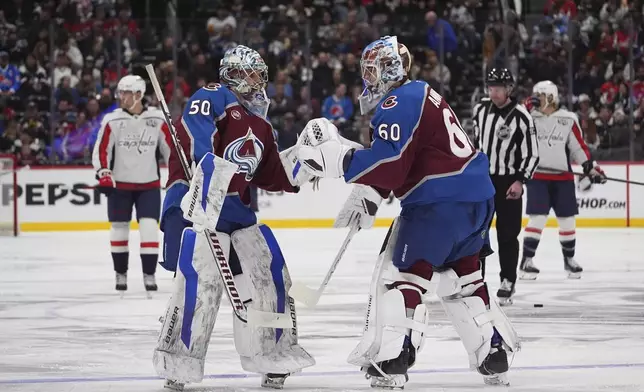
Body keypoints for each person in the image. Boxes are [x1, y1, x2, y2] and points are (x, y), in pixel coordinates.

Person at [295, 36, 519, 389]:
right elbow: (410, 157)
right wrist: (371, 193)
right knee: (466, 279)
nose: (367, 78)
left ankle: (392, 358)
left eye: (372, 69)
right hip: (475, 200)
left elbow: (391, 162)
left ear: (390, 68)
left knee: (400, 277)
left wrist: (339, 160)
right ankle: (493, 352)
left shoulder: (399, 100)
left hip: (437, 205)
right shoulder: (423, 94)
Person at [154, 45, 315, 391]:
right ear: (234, 74)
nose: (260, 80)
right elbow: (197, 137)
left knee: (268, 273)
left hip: (235, 210)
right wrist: (206, 178)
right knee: (201, 283)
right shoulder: (214, 96)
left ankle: (272, 353)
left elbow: (272, 174)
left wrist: (307, 162)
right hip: (194, 201)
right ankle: (179, 361)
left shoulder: (260, 122)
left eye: (261, 73)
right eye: (253, 72)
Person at [92, 75, 172, 294]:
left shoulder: (157, 119)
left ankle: (149, 275)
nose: (121, 96)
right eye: (121, 92)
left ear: (138, 95)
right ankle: (121, 274)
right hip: (120, 185)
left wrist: (179, 173)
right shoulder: (112, 120)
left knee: (149, 229)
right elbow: (101, 150)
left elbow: (171, 151)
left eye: (126, 92)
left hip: (149, 185)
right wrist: (103, 172)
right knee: (119, 230)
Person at [520, 81, 606, 279]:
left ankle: (569, 260)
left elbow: (578, 147)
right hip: (537, 175)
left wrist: (590, 167)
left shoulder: (568, 118)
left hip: (563, 177)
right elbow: (512, 127)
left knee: (567, 221)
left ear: (550, 96)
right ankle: (526, 261)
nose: (536, 98)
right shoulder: (528, 117)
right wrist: (525, 108)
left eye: (539, 95)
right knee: (538, 218)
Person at [472, 68, 540, 305]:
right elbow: (475, 144)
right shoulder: (480, 110)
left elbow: (532, 155)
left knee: (507, 235)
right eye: (491, 87)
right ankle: (473, 279)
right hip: (482, 181)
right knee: (475, 233)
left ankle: (507, 280)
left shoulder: (522, 117)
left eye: (499, 88)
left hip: (509, 182)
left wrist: (521, 180)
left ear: (509, 89)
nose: (494, 92)